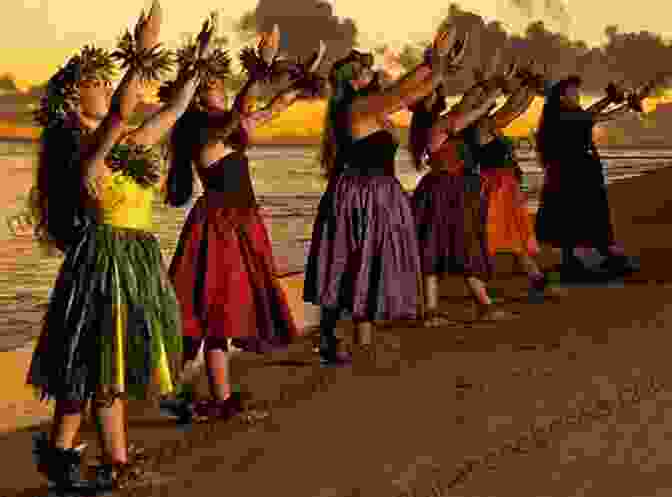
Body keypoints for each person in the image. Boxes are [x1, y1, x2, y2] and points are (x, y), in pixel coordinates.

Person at [25, 1, 202, 492]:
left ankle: (61, 454)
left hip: (137, 256)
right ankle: (114, 462)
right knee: (105, 361)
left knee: (89, 363)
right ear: (72, 96)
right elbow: (124, 113)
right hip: (105, 260)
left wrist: (195, 65)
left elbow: (174, 109)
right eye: (96, 82)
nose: (105, 88)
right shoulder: (82, 146)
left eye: (107, 81)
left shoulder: (124, 143)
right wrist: (141, 54)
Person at [160, 22, 325, 422]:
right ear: (199, 97)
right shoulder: (203, 133)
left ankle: (210, 394)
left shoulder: (223, 127)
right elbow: (241, 116)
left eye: (220, 81)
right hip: (219, 226)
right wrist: (259, 71)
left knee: (218, 312)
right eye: (214, 82)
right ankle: (192, 392)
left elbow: (270, 110)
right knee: (211, 310)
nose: (220, 84)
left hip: (239, 222)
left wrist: (302, 77)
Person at [303, 25, 467, 364]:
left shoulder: (370, 106)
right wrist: (435, 62)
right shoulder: (359, 107)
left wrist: (436, 64)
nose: (372, 71)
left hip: (376, 192)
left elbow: (407, 90)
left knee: (365, 261)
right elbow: (404, 93)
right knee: (349, 263)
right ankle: (331, 338)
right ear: (354, 81)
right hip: (360, 195)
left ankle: (355, 338)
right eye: (365, 70)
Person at [409, 53, 518, 326]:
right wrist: (495, 92)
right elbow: (476, 111)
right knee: (448, 246)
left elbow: (473, 105)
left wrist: (493, 85)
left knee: (442, 247)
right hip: (445, 192)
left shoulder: (445, 122)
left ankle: (445, 309)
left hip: (450, 192)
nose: (468, 100)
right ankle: (477, 306)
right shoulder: (442, 124)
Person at [535, 76, 648, 281]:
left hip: (580, 172)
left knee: (587, 215)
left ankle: (592, 257)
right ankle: (583, 259)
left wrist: (622, 103)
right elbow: (593, 116)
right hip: (571, 175)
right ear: (561, 97)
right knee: (576, 216)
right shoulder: (560, 116)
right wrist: (615, 100)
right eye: (573, 92)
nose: (577, 95)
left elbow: (597, 115)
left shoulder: (571, 113)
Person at [469, 61, 557, 299]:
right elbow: (513, 109)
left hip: (504, 184)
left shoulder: (488, 123)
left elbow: (514, 108)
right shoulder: (482, 125)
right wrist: (528, 87)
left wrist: (529, 87)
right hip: (494, 186)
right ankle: (479, 285)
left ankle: (537, 281)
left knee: (514, 237)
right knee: (494, 237)